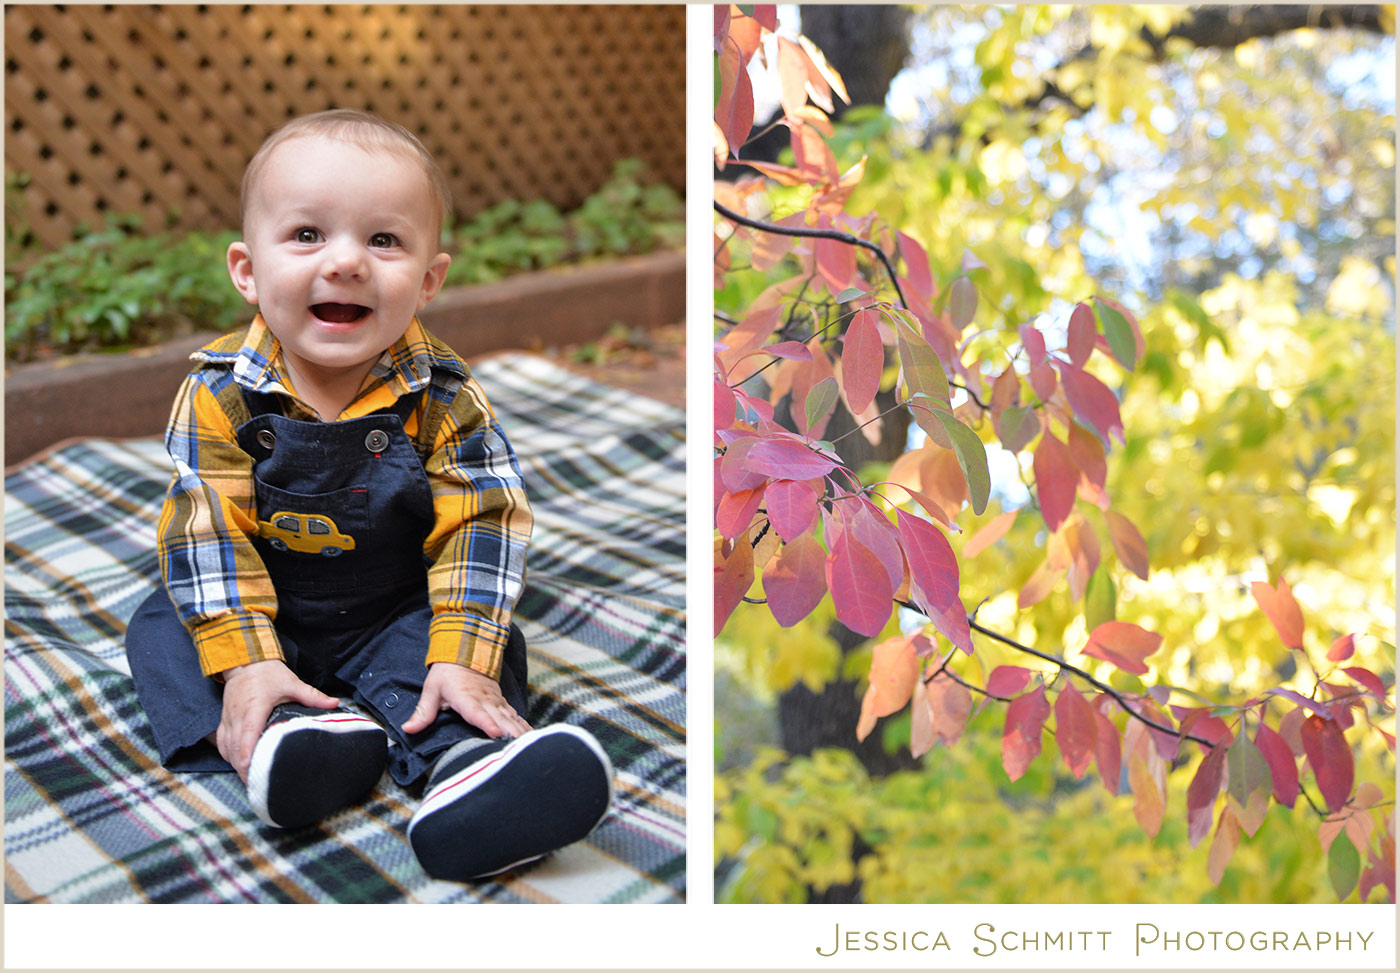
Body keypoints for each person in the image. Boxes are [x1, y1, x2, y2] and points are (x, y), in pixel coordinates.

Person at [124, 109, 613, 883]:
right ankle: (286, 736)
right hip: (261, 605)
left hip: (392, 600)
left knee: (468, 650)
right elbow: (206, 530)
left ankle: (462, 763)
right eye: (308, 235)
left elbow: (481, 525)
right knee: (166, 628)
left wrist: (463, 654)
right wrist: (248, 658)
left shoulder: (443, 396)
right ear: (247, 271)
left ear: (427, 281)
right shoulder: (218, 394)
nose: (346, 262)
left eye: (383, 240)